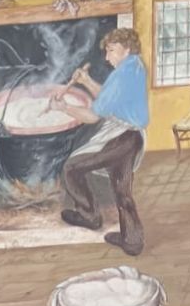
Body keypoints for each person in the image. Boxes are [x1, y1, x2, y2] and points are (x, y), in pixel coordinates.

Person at [56, 27, 149, 256]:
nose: (107, 57)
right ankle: (132, 240)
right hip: (133, 137)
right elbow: (108, 96)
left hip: (120, 136)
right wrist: (86, 80)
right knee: (122, 190)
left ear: (127, 49)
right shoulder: (134, 66)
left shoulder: (121, 76)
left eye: (112, 50)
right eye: (106, 51)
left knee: (71, 168)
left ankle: (89, 215)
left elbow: (92, 116)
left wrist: (63, 107)